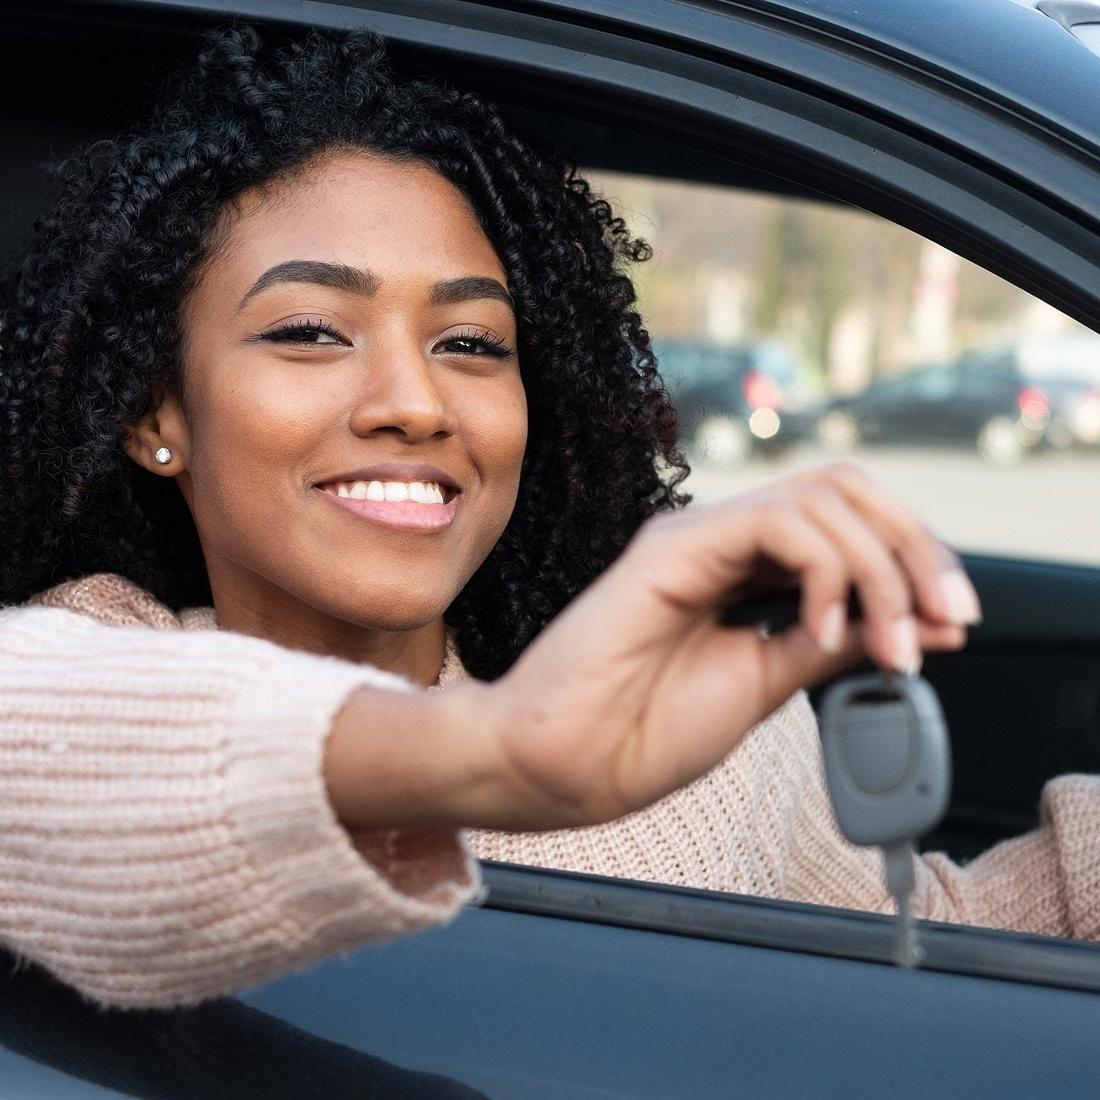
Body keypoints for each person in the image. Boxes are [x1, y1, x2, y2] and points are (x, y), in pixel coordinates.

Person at [1, 25, 1095, 1013]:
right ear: (159, 414)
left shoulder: (701, 728)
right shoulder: (88, 673)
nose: (414, 402)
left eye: (471, 343)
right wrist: (490, 756)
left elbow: (930, 953)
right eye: (309, 331)